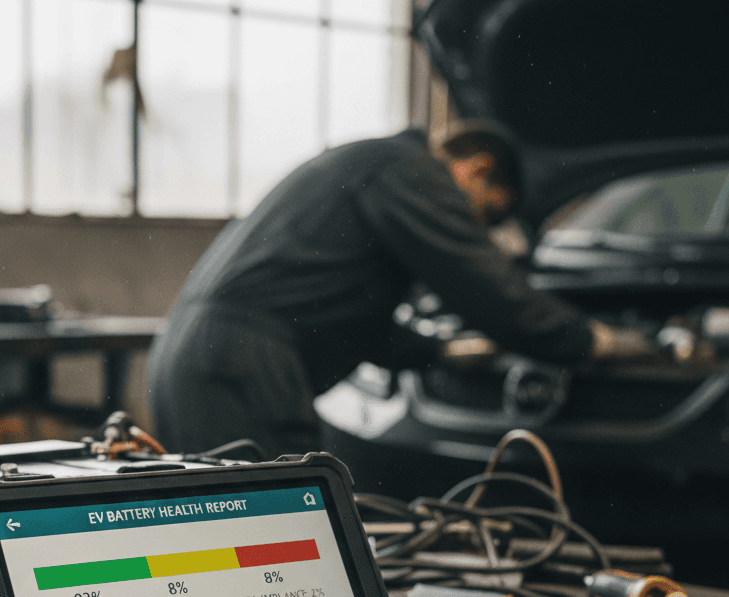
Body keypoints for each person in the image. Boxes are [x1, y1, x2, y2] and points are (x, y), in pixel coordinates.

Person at [145, 121, 649, 457]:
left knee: (222, 532)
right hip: (241, 366)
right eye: (486, 214)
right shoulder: (410, 170)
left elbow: (356, 321)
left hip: (198, 356)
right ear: (475, 169)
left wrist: (441, 351)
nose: (477, 229)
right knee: (262, 534)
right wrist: (591, 340)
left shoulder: (372, 165)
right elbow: (482, 285)